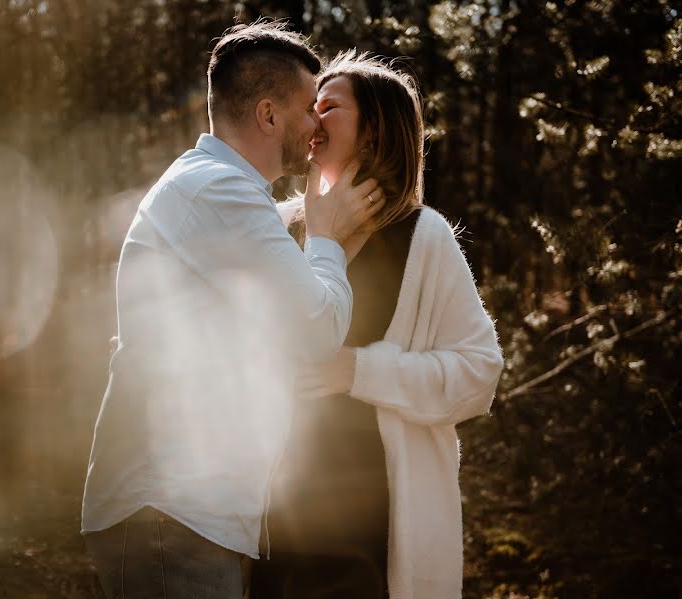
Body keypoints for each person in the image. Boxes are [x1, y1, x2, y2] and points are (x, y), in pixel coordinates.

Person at [80, 24, 385, 599]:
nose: (318, 125)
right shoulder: (220, 191)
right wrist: (326, 237)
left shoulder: (218, 192)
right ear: (268, 116)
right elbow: (318, 331)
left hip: (179, 512)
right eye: (307, 108)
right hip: (171, 511)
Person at [253, 50, 505, 598]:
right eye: (310, 104)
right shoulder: (273, 228)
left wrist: (358, 371)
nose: (312, 116)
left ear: (373, 134)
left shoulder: (424, 237)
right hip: (276, 516)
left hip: (376, 527)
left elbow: (479, 373)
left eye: (329, 105)